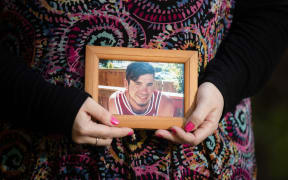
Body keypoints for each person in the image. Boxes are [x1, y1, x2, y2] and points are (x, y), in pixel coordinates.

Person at [0, 0, 287, 179]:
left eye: (152, 84)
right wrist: (40, 101)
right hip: (38, 154)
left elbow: (270, 14)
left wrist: (224, 84)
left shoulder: (163, 100)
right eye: (141, 84)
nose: (146, 90)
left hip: (204, 163)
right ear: (126, 83)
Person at [108, 62, 175, 117]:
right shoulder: (117, 101)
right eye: (138, 84)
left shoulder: (164, 103)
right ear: (126, 84)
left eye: (149, 84)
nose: (144, 92)